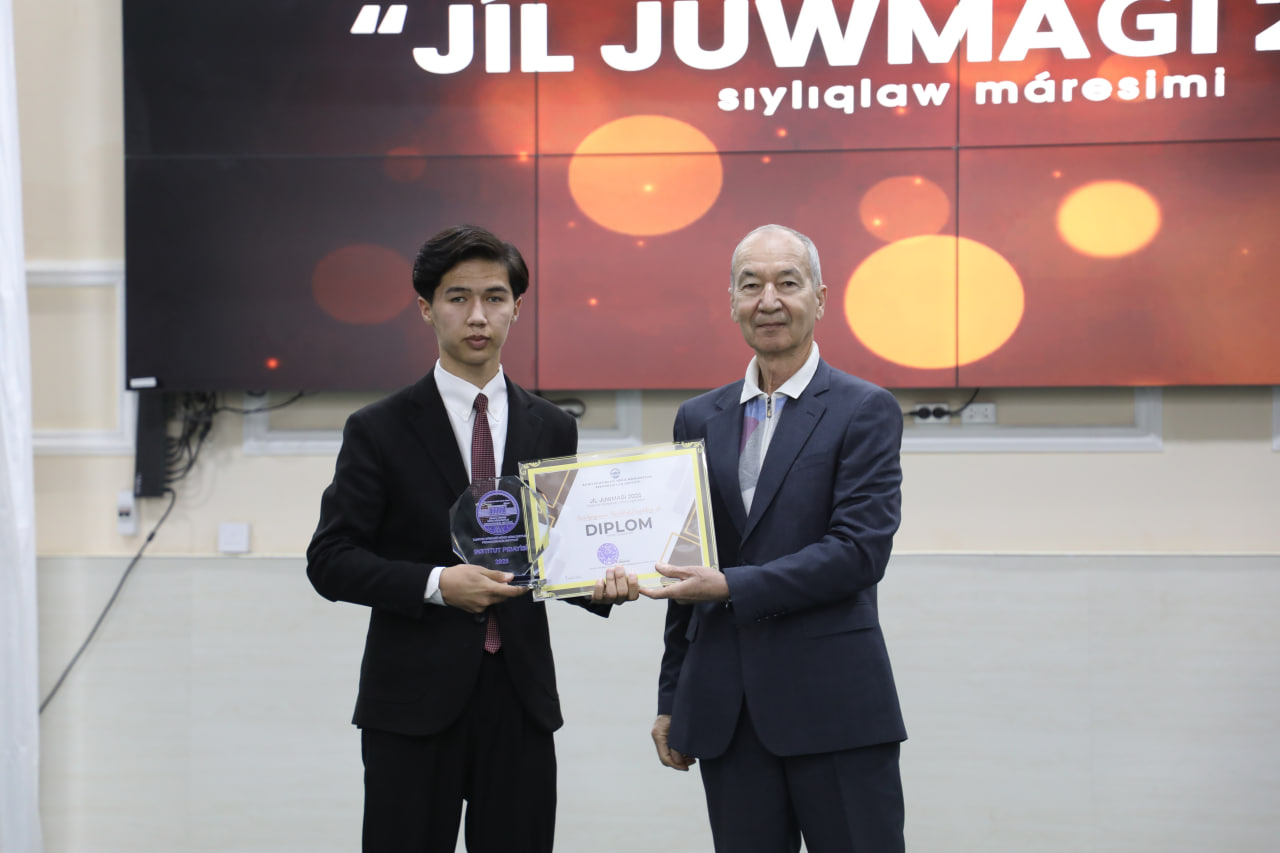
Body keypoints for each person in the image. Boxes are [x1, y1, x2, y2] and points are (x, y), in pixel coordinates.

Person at [307, 224, 637, 853]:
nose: (478, 315)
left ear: (517, 307)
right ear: (426, 308)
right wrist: (437, 584)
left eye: (495, 297)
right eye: (458, 298)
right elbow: (330, 560)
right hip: (411, 702)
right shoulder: (378, 428)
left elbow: (552, 555)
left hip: (520, 698)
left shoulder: (552, 427)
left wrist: (607, 584)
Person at [640, 224, 907, 852]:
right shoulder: (698, 417)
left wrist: (731, 585)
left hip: (835, 707)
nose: (769, 300)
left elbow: (859, 551)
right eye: (750, 285)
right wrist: (673, 695)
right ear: (731, 301)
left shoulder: (864, 409)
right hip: (727, 714)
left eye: (788, 283)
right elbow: (687, 564)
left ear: (820, 298)